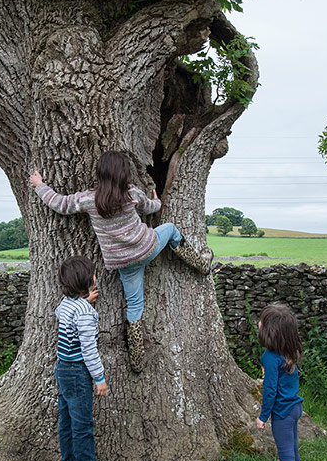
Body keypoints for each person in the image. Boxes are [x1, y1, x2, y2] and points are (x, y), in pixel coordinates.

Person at [30, 150, 213, 372]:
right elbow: (151, 208)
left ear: (100, 174)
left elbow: (60, 204)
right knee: (172, 230)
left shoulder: (89, 199)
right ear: (125, 173)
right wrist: (156, 200)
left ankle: (136, 360)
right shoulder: (132, 194)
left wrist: (40, 185)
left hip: (124, 263)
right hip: (148, 247)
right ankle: (202, 264)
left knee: (134, 307)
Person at [54, 255, 116, 461]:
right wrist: (99, 378)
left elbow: (61, 312)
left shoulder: (67, 303)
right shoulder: (85, 314)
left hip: (62, 368)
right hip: (78, 372)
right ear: (89, 280)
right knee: (83, 426)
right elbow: (88, 349)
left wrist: (83, 301)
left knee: (67, 422)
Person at [256, 304, 303, 461]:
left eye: (262, 322)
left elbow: (270, 390)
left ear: (269, 331)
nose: (258, 323)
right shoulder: (289, 352)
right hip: (295, 407)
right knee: (292, 451)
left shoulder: (269, 357)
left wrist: (263, 416)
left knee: (286, 455)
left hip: (282, 413)